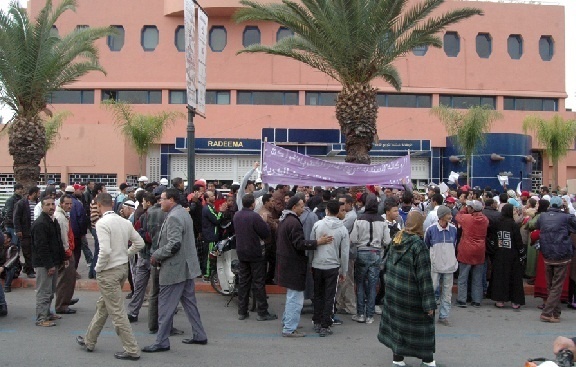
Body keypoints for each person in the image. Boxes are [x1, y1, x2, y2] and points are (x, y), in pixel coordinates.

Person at [76, 193, 144, 360]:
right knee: (104, 306)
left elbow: (105, 250)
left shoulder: (102, 223)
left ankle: (132, 349)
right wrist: (125, 253)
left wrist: (98, 268)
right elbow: (140, 243)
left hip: (109, 271)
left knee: (116, 312)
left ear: (98, 206)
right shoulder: (123, 222)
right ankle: (89, 340)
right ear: (112, 204)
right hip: (121, 268)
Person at [143, 189, 208, 353]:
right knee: (189, 303)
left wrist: (157, 255)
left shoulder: (174, 217)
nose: (160, 202)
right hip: (186, 267)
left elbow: (174, 244)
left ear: (171, 200)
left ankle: (161, 341)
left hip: (175, 268)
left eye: (162, 199)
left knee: (165, 306)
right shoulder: (183, 213)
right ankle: (199, 334)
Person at [378, 211, 437, 367]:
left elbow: (387, 268)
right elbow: (424, 278)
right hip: (412, 296)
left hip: (395, 293)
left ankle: (398, 360)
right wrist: (429, 304)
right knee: (424, 328)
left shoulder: (397, 239)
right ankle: (428, 360)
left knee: (398, 327)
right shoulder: (418, 246)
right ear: (420, 225)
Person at [276, 195, 332, 337]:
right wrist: (317, 242)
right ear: (294, 207)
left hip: (287, 264)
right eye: (301, 206)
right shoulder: (293, 223)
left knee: (291, 296)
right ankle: (289, 328)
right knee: (296, 298)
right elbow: (299, 244)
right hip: (294, 266)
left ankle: (287, 322)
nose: (303, 208)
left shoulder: (285, 220)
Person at [233, 193, 276, 321]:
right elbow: (265, 232)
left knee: (243, 282)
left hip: (241, 252)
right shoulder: (255, 217)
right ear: (253, 204)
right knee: (258, 282)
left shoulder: (237, 215)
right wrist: (265, 222)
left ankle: (242, 311)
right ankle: (262, 312)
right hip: (255, 252)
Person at [310, 200, 349, 337]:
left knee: (318, 294)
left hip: (317, 263)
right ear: (338, 211)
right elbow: (344, 253)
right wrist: (344, 271)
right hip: (333, 265)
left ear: (327, 209)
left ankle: (317, 320)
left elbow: (312, 243)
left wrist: (311, 262)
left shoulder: (317, 225)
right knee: (329, 296)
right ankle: (325, 324)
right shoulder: (342, 229)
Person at [350, 193, 390, 324]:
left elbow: (353, 239)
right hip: (376, 252)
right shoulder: (382, 220)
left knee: (360, 284)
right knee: (373, 285)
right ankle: (370, 315)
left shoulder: (359, 219)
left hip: (362, 252)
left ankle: (360, 313)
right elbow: (387, 240)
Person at [535, 196, 576, 323]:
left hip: (547, 253)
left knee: (551, 285)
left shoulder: (542, 216)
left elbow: (537, 226)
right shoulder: (566, 217)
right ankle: (547, 313)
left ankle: (556, 312)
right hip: (561, 254)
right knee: (557, 285)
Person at [31, 196, 65, 327]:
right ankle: (41, 318)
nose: (51, 207)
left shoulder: (53, 221)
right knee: (44, 292)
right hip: (44, 264)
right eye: (48, 205)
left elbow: (57, 242)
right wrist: (49, 265)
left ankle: (48, 313)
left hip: (54, 262)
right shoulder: (40, 224)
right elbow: (42, 247)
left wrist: (61, 259)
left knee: (51, 291)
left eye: (52, 204)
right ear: (42, 206)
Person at [424, 205, 458, 326]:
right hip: (435, 265)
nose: (451, 216)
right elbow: (426, 246)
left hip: (450, 265)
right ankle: (430, 313)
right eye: (448, 214)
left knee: (447, 292)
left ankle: (444, 316)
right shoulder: (431, 230)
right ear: (442, 216)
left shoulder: (453, 229)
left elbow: (455, 244)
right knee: (432, 290)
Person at [490, 204, 526, 310]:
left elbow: (492, 237)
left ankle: (499, 300)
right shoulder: (513, 225)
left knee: (500, 277)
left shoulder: (497, 222)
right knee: (514, 278)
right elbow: (518, 241)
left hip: (499, 254)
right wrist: (522, 253)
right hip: (512, 255)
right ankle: (515, 301)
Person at [455, 200, 489, 308]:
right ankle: (477, 300)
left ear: (472, 209)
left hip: (466, 249)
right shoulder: (485, 220)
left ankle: (462, 299)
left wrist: (464, 208)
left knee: (463, 277)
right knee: (477, 277)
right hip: (480, 249)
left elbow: (457, 216)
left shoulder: (467, 218)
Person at [53, 195, 79, 314]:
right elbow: (64, 238)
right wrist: (67, 254)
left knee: (69, 278)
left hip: (68, 250)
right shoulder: (60, 217)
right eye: (66, 204)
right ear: (61, 204)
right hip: (66, 252)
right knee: (64, 279)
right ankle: (62, 304)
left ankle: (66, 299)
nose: (69, 206)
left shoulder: (63, 215)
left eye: (70, 204)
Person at [13, 186, 40, 278]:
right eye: (38, 193)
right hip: (25, 232)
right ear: (34, 193)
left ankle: (27, 268)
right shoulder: (21, 203)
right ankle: (30, 271)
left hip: (34, 232)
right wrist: (18, 230)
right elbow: (16, 217)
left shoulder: (38, 203)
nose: (39, 195)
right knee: (27, 251)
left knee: (33, 251)